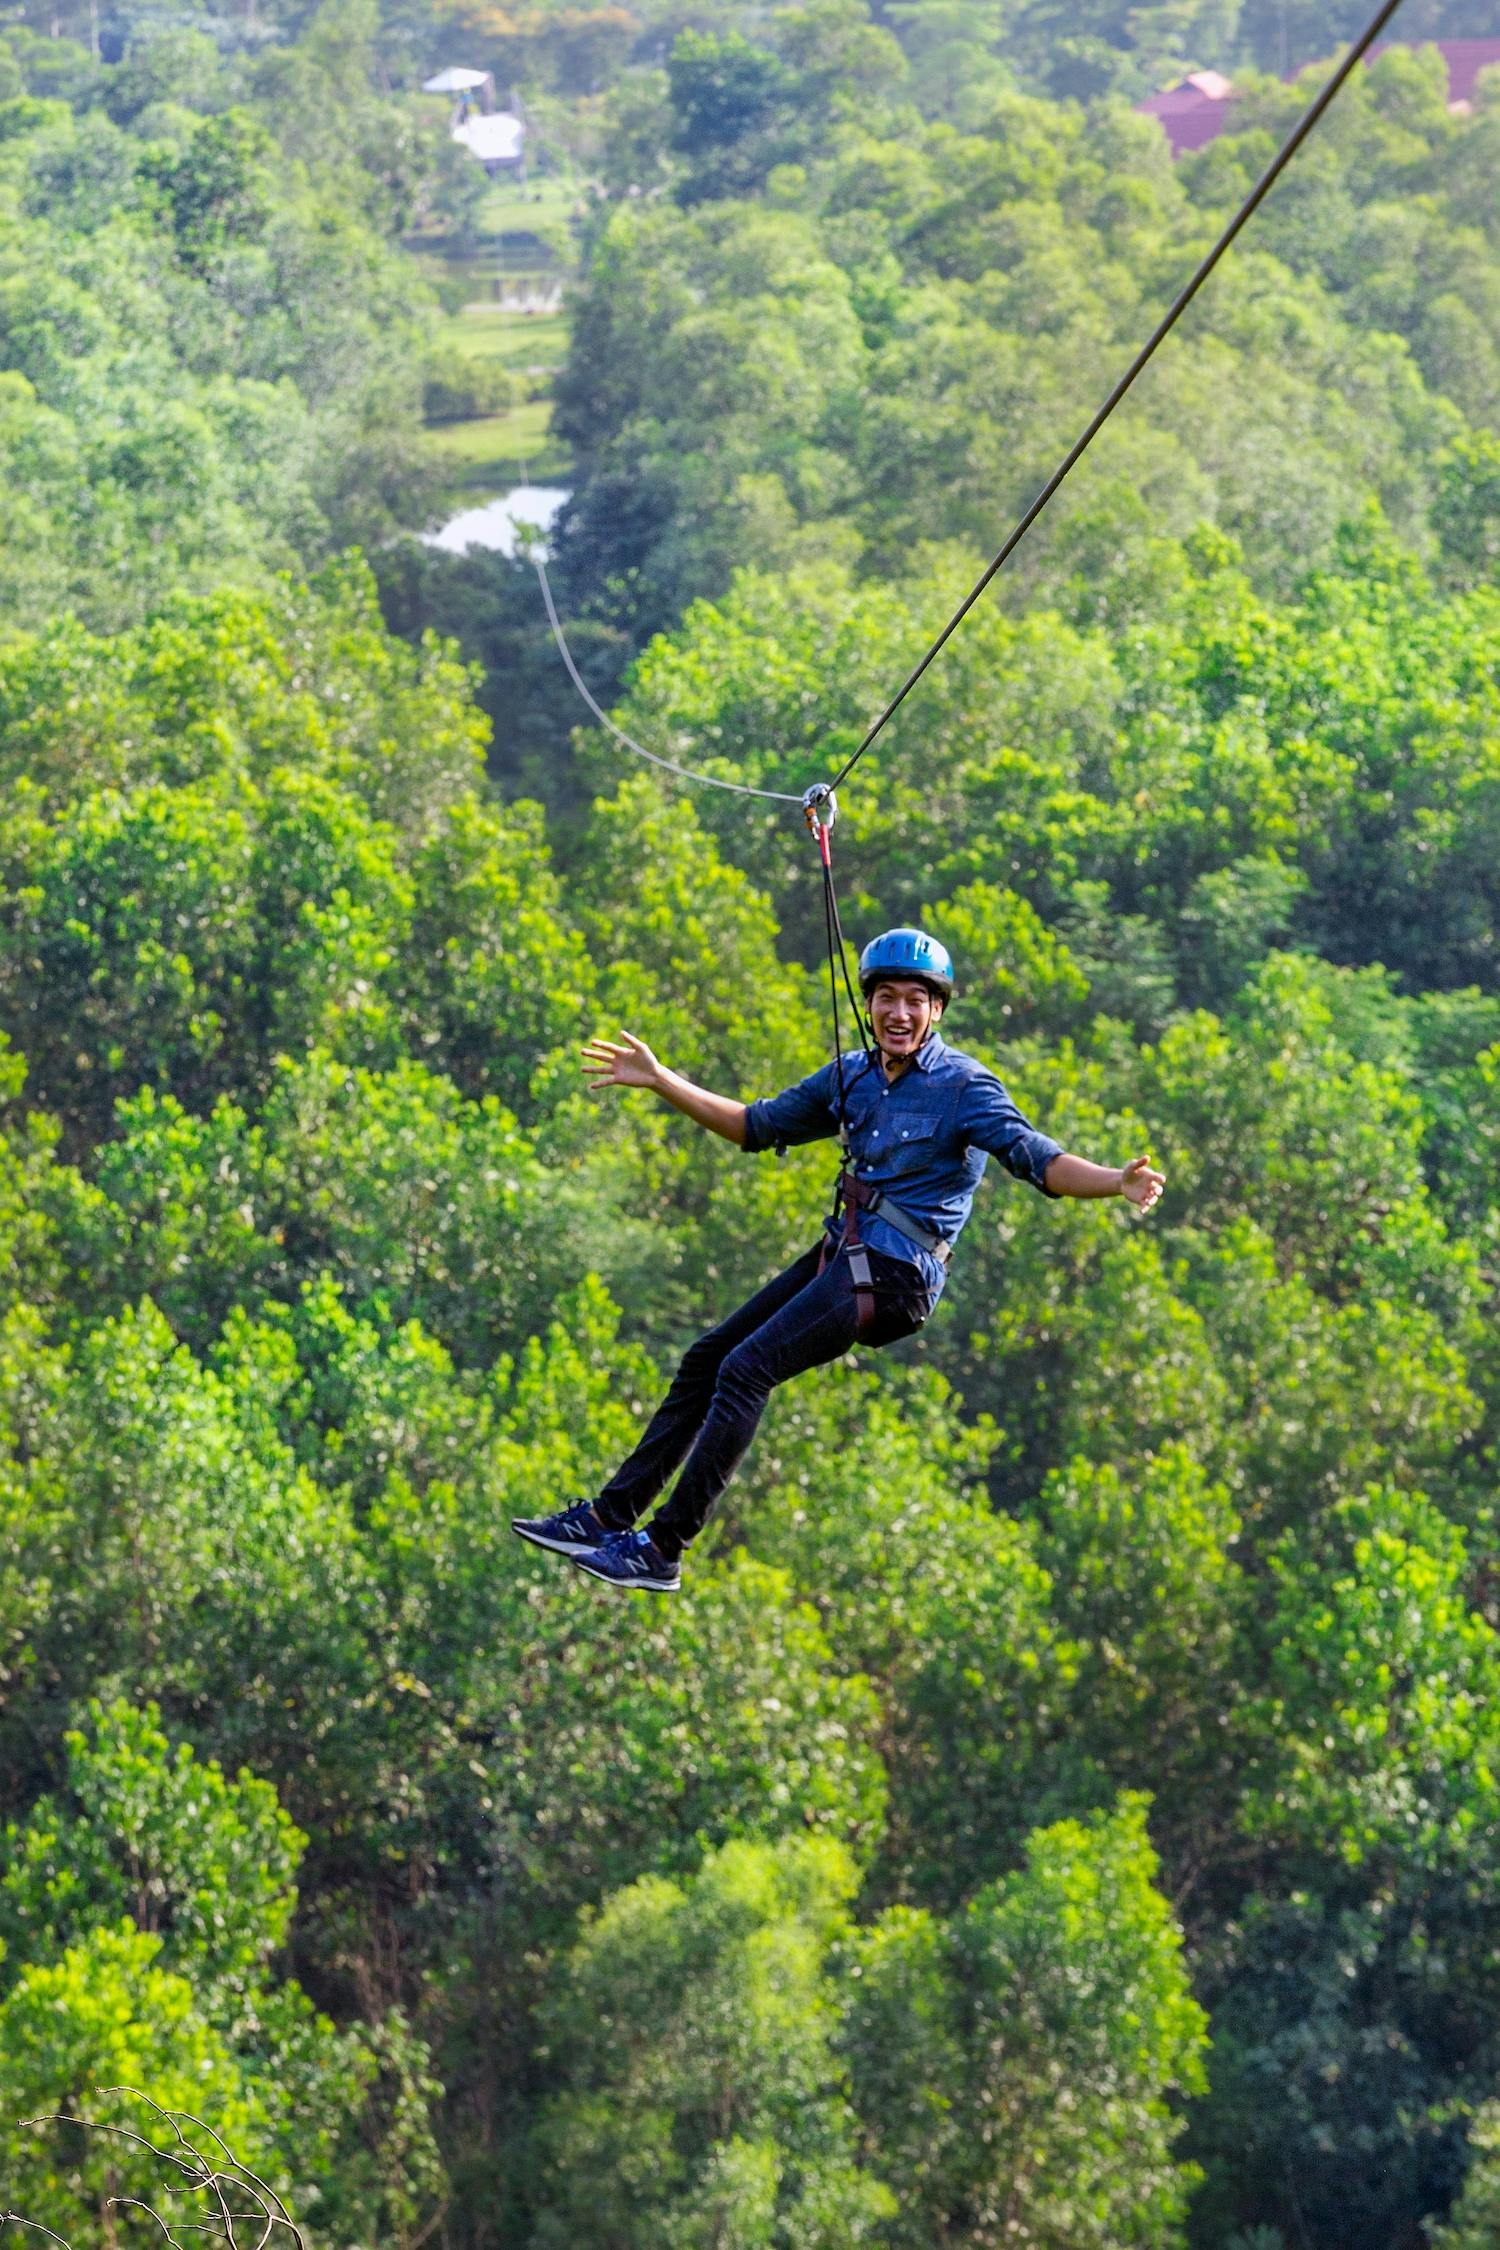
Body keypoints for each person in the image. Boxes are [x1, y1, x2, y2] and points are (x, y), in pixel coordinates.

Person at [511, 926, 1164, 1592]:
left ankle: (662, 1548)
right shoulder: (851, 1077)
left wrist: (1115, 1180)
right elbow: (754, 1127)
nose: (899, 1013)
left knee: (745, 1370)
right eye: (887, 997)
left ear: (936, 1010)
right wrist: (658, 1080)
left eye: (916, 1000)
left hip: (896, 1277)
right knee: (709, 1359)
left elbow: (1041, 1161)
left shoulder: (964, 1087)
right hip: (845, 1254)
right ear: (869, 1002)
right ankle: (607, 1517)